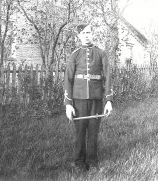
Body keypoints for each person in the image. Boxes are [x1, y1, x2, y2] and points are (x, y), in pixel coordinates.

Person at [64, 24, 113, 172]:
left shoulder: (101, 53)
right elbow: (68, 79)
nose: (86, 35)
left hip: (96, 99)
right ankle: (79, 162)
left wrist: (109, 100)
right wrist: (68, 104)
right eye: (83, 33)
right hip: (78, 99)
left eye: (89, 32)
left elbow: (108, 77)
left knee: (93, 131)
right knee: (80, 131)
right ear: (79, 36)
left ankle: (92, 162)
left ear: (92, 34)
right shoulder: (75, 54)